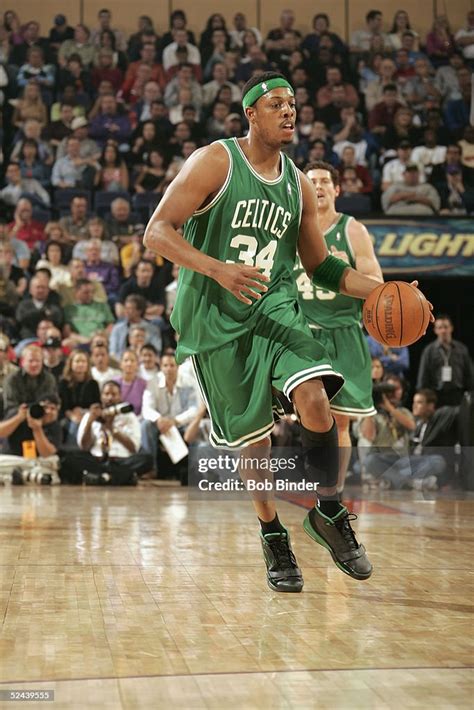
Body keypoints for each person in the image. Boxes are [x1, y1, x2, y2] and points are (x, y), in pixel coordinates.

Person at [142, 70, 425, 590]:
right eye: (276, 104)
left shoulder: (296, 182)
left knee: (316, 398)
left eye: (293, 104)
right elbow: (156, 231)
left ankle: (329, 512)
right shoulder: (216, 160)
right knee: (255, 444)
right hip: (216, 319)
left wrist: (387, 293)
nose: (289, 111)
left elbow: (320, 266)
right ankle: (272, 533)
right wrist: (217, 268)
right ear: (251, 113)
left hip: (275, 308)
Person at [293, 161, 382, 498]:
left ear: (336, 190)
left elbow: (375, 281)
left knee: (341, 421)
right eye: (311, 180)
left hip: (344, 331)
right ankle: (316, 481)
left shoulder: (352, 229)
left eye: (325, 181)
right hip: (303, 333)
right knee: (311, 417)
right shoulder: (293, 228)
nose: (318, 185)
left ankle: (334, 496)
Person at [72, 381, 153, 486]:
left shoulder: (129, 416)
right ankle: (122, 477)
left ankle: (99, 478)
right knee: (71, 458)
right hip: (97, 459)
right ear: (101, 396)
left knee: (146, 460)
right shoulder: (91, 414)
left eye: (114, 395)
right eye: (106, 394)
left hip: (121, 459)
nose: (110, 398)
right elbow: (84, 446)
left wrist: (112, 429)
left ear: (120, 396)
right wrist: (89, 422)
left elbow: (134, 448)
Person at [416, 314, 473, 406]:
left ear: (451, 328)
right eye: (439, 328)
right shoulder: (429, 351)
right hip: (436, 396)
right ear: (435, 330)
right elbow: (423, 377)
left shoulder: (461, 349)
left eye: (446, 327)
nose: (443, 330)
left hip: (458, 396)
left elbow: (469, 375)